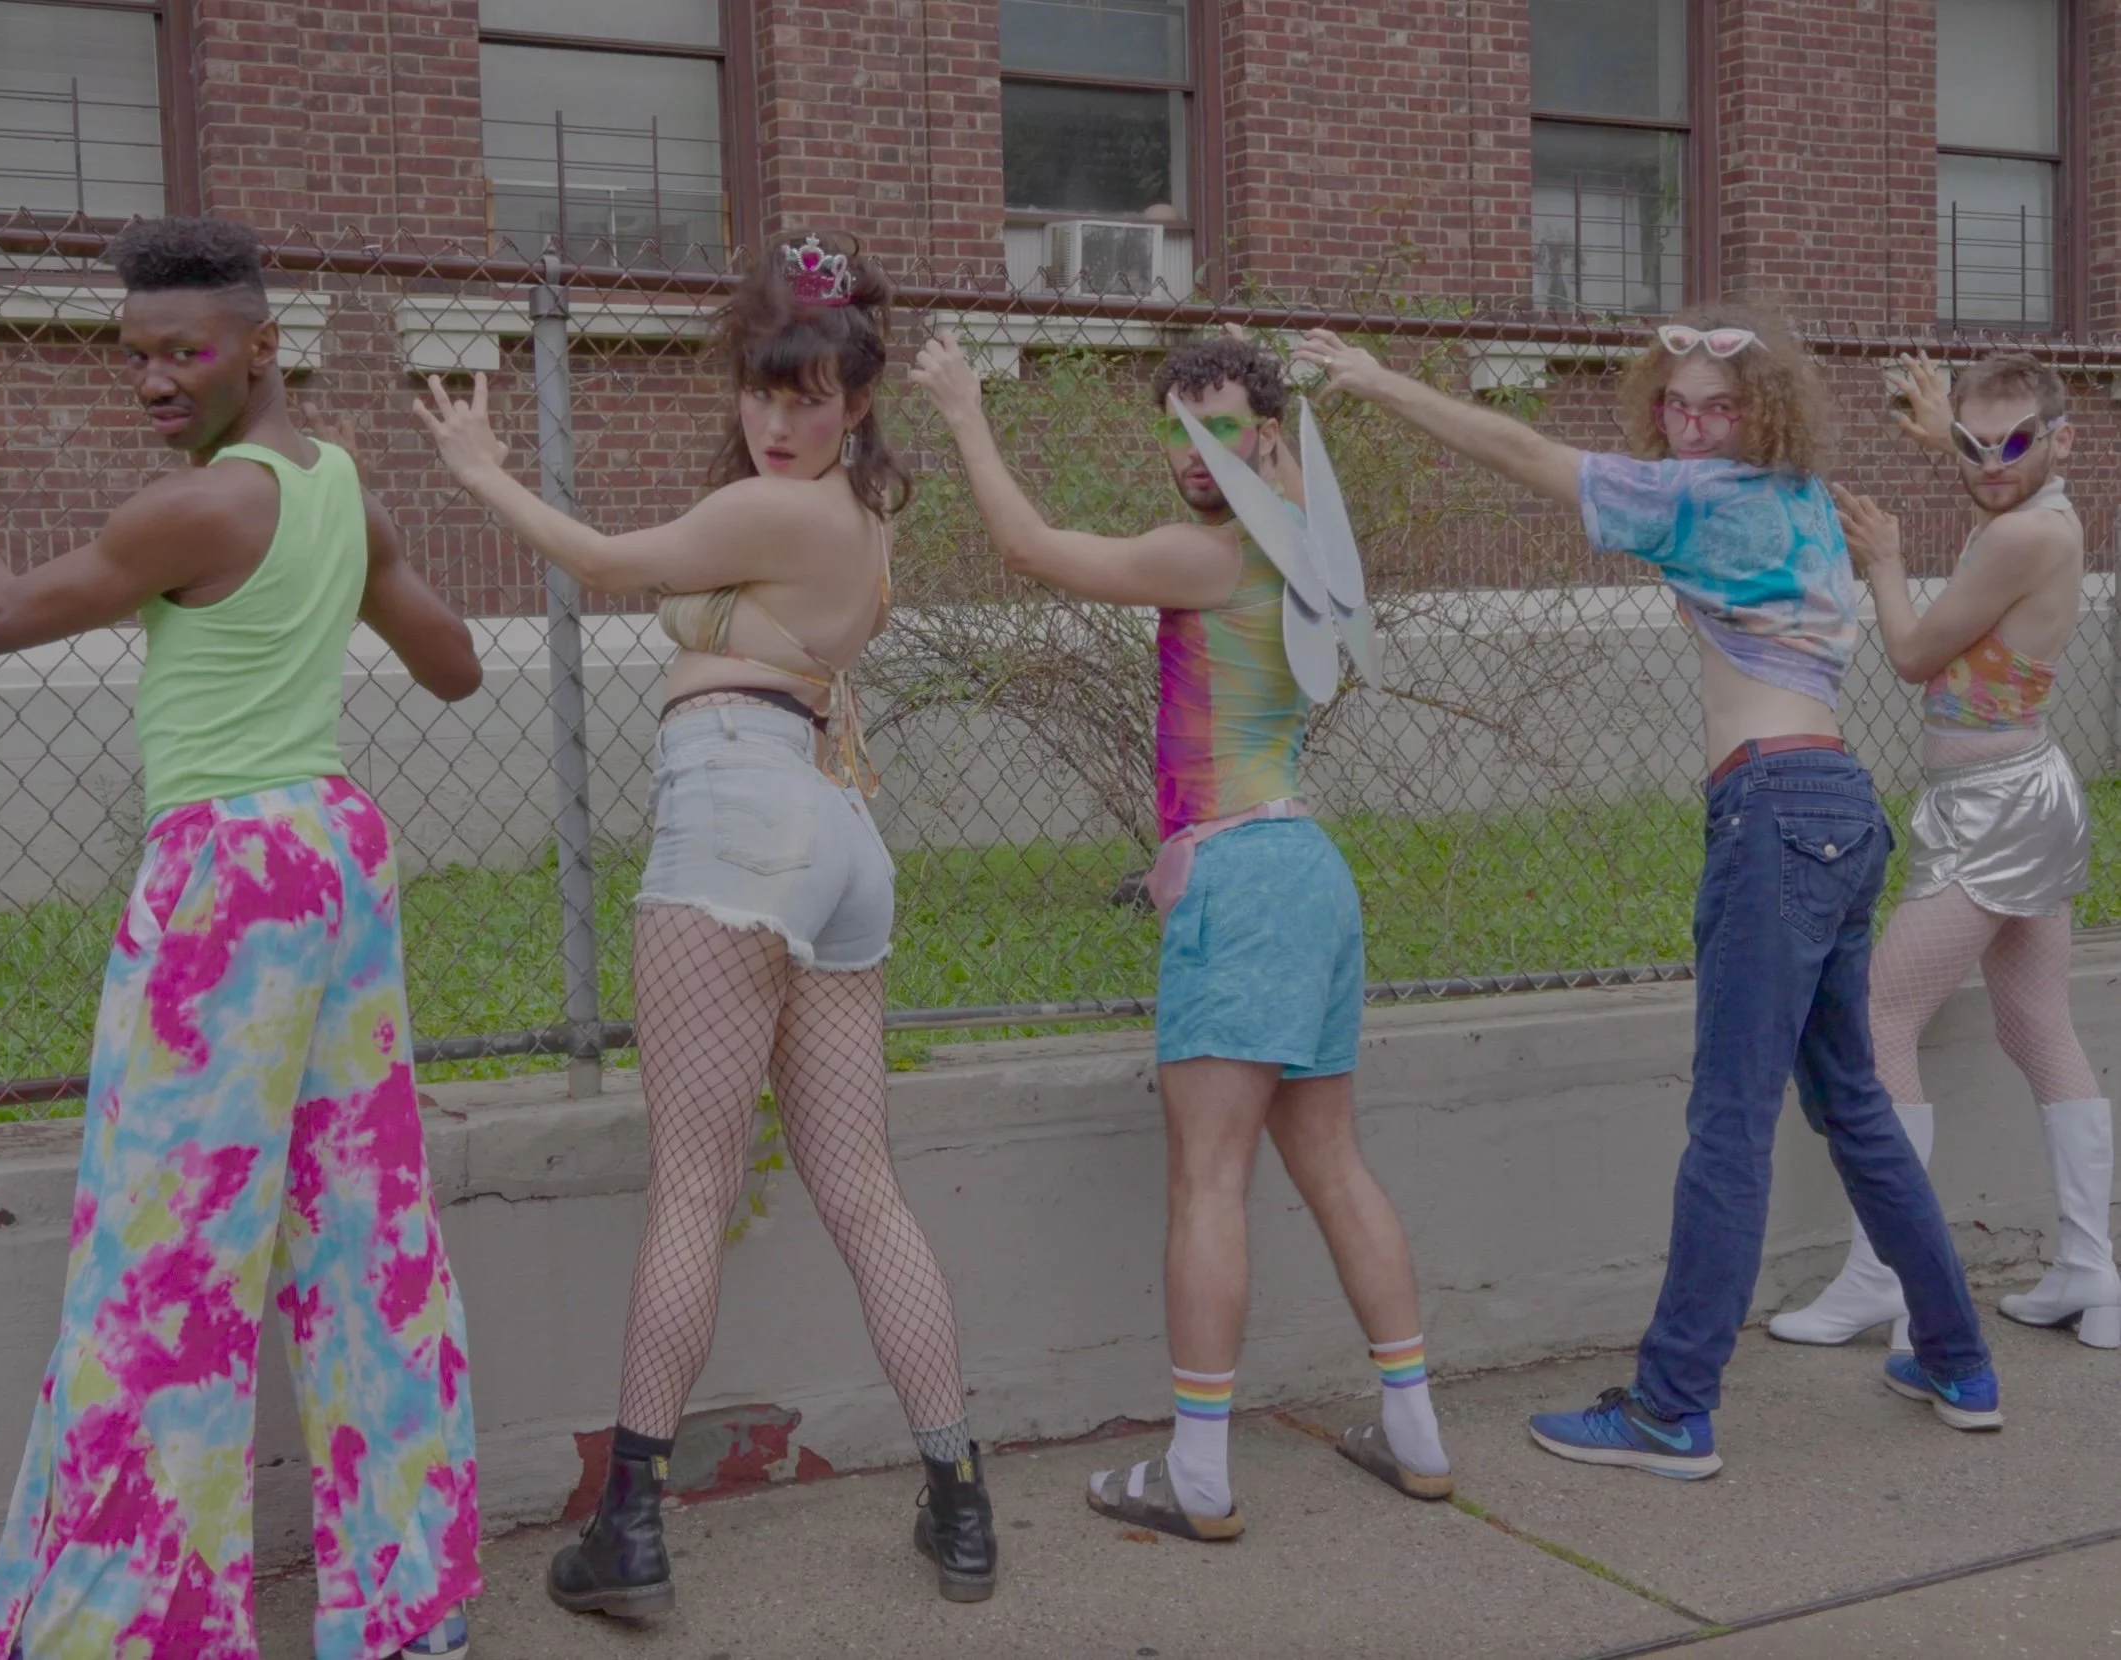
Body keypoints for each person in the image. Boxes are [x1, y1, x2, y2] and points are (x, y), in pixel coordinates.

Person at [0, 216, 484, 1659]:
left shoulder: (200, 508)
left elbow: (1, 613)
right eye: (137, 356)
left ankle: (129, 1630)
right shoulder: (336, 485)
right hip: (337, 850)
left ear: (262, 345)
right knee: (365, 1229)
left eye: (185, 352)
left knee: (163, 1254)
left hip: (228, 875)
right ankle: (407, 1603)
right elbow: (458, 667)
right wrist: (335, 583)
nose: (156, 379)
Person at [1292, 302, 2000, 1478]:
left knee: (1730, 1123)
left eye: (1717, 407)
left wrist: (1375, 381)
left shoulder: (1703, 497)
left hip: (1773, 815)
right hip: (1838, 806)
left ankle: (1673, 1408)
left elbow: (1523, 453)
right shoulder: (1797, 502)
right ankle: (1959, 1359)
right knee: (1854, 1103)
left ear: (1760, 413)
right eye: (1675, 406)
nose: (1690, 424)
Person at [412, 232, 996, 1612]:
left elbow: (605, 560)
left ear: (858, 400)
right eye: (760, 390)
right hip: (832, 834)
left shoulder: (778, 510)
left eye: (809, 397)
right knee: (863, 1188)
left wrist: (481, 470)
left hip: (739, 818)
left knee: (689, 1186)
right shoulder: (860, 510)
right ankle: (960, 1502)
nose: (778, 421)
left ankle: (630, 1530)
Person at [910, 329, 1454, 1543]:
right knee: (1334, 1164)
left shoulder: (1206, 557)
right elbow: (1288, 479)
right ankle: (1417, 1433)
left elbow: (1027, 548)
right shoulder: (1302, 543)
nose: (1194, 450)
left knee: (1209, 1179)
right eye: (1176, 426)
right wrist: (1282, 419)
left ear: (1263, 435)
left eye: (1221, 426)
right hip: (1309, 870)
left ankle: (1198, 1472)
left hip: (1240, 877)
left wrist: (963, 412)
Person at [1771, 353, 2117, 1351]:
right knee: (2037, 1023)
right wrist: (1943, 439)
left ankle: (1884, 1274)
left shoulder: (2021, 534)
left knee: (1878, 1015)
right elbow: (1994, 484)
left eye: (2015, 443)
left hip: (1996, 807)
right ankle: (2092, 1269)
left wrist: (1882, 560)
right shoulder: (2040, 513)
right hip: (2022, 789)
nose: (1990, 463)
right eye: (1974, 444)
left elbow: (1915, 653)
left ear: (2063, 439)